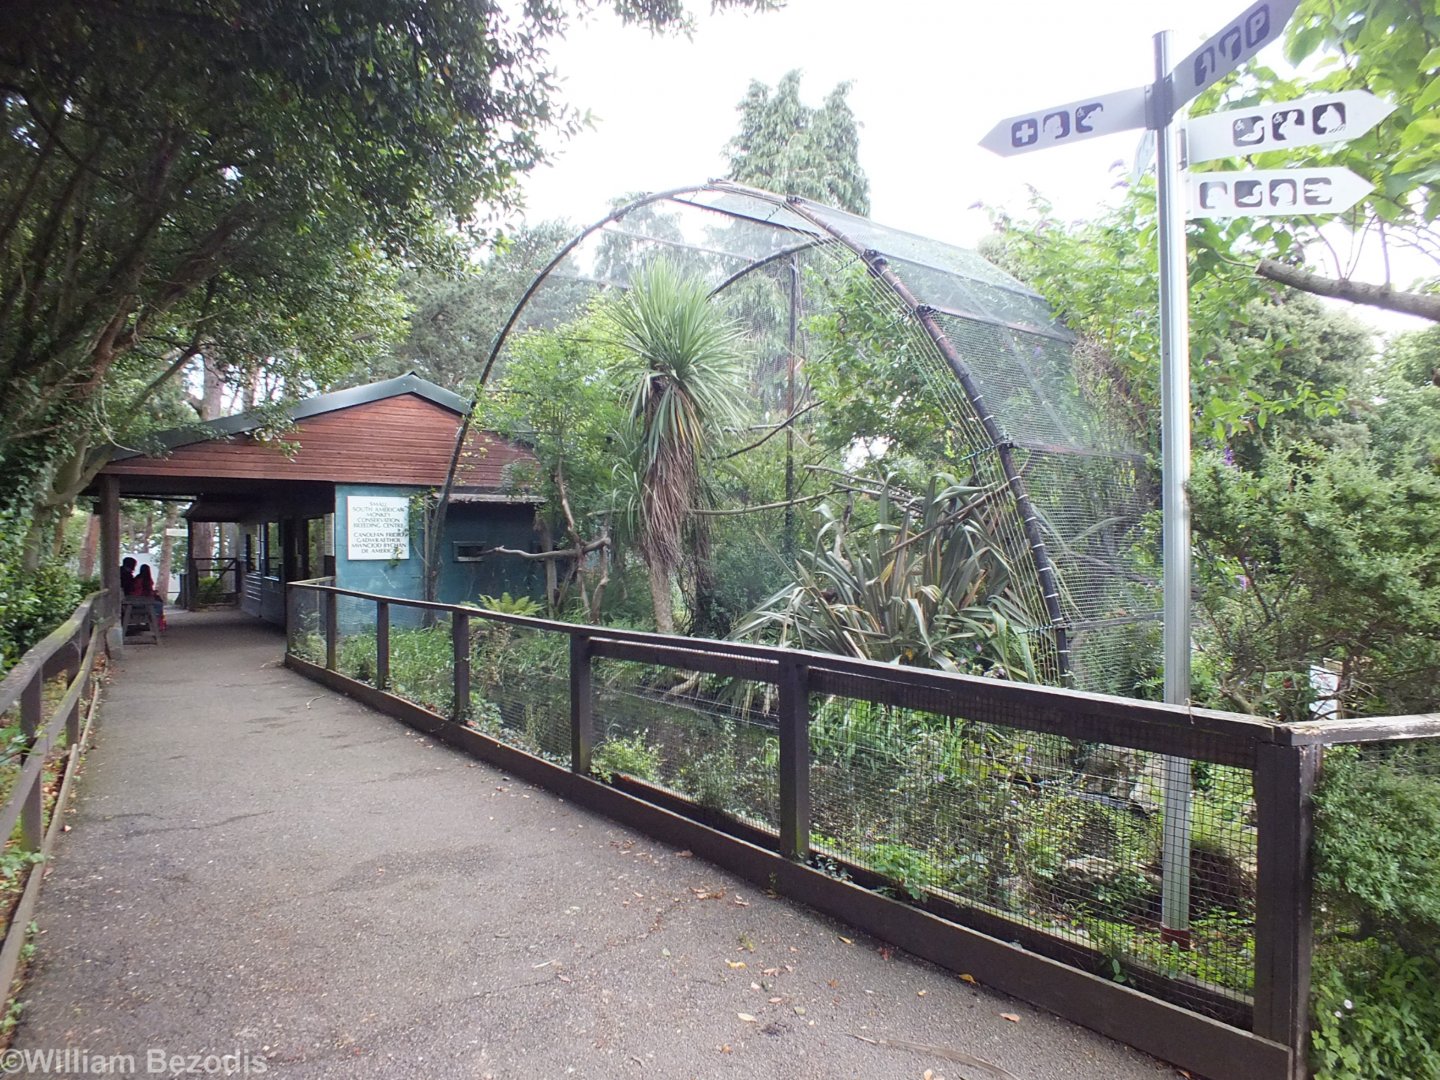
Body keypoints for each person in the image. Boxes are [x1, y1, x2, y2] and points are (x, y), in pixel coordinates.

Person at [133, 564, 166, 630]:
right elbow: (144, 591)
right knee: (159, 604)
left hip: (141, 598)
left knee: (158, 601)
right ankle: (156, 621)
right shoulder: (144, 580)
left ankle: (156, 621)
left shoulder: (138, 578)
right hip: (142, 600)